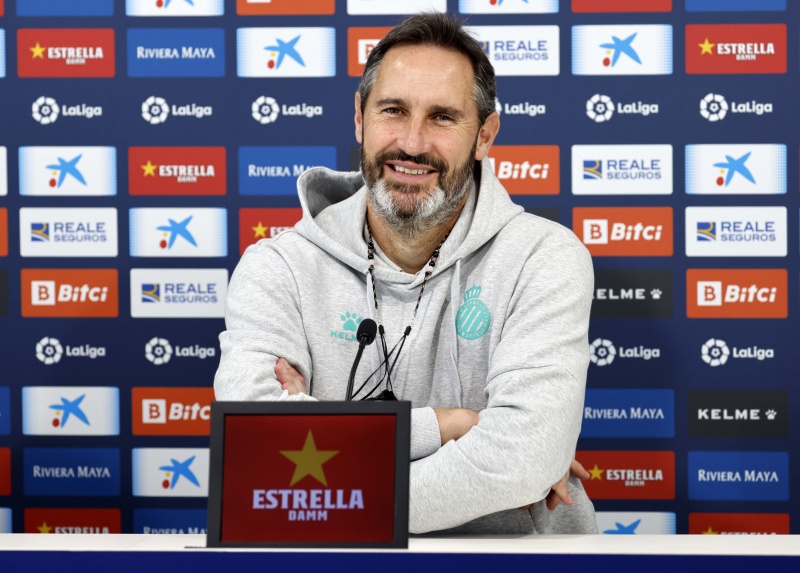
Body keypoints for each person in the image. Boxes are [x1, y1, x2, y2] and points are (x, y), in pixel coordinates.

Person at [215, 12, 596, 535]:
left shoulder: (544, 257)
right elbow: (257, 449)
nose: (413, 143)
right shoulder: (278, 267)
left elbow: (522, 458)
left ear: (484, 135)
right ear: (360, 117)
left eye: (442, 117)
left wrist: (325, 484)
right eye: (393, 110)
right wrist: (450, 425)